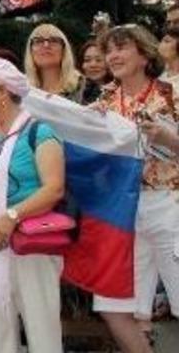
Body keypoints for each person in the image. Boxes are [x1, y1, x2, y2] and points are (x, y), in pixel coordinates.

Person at [0, 58, 66, 353]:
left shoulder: (39, 133)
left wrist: (12, 215)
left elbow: (54, 188)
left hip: (30, 248)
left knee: (43, 338)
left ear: (3, 91)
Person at [90, 25, 179, 353]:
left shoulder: (171, 93)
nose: (113, 56)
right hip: (122, 211)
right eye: (109, 50)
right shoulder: (104, 101)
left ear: (144, 55)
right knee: (113, 306)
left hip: (169, 203)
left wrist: (168, 138)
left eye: (122, 47)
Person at [23, 23, 83, 101]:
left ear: (64, 49)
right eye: (38, 41)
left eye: (54, 40)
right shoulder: (20, 89)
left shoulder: (84, 86)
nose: (46, 45)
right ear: (30, 51)